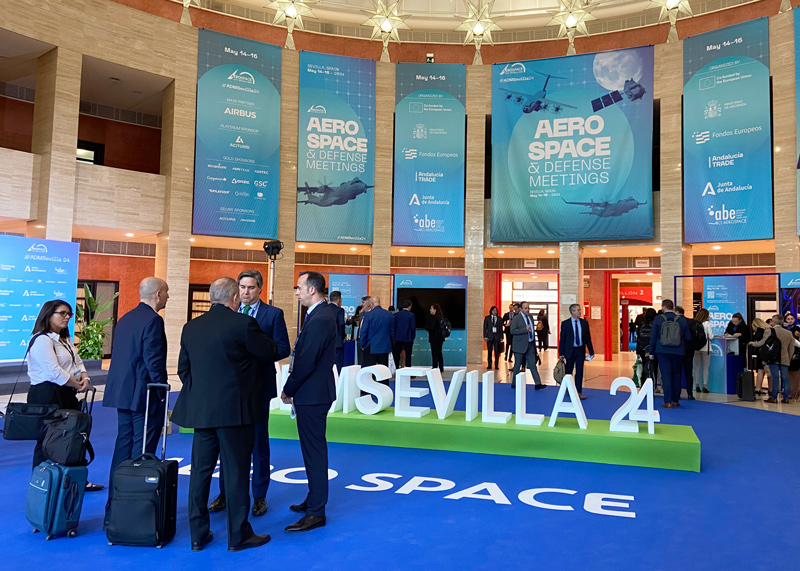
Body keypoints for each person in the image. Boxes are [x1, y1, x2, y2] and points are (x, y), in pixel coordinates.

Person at [171, 277, 276, 552]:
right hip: (235, 413)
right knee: (237, 472)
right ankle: (238, 535)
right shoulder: (244, 324)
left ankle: (198, 535)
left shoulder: (191, 327)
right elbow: (269, 352)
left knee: (200, 473)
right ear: (235, 298)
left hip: (202, 413)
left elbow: (184, 369)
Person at [209, 270, 291, 517]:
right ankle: (224, 493)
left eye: (251, 287)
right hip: (229, 388)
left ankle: (259, 496)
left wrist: (256, 351)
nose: (245, 292)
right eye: (242, 287)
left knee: (258, 443)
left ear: (260, 289)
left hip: (258, 387)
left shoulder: (273, 314)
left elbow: (283, 348)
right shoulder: (227, 312)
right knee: (227, 443)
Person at [280, 272, 337, 533]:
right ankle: (313, 499)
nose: (296, 293)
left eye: (299, 288)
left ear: (312, 289)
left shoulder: (321, 317)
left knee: (314, 452)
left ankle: (316, 512)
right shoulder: (318, 314)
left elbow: (306, 360)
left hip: (313, 395)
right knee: (311, 451)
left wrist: (288, 388)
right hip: (312, 394)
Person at [104, 277, 169, 502]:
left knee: (123, 447)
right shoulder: (153, 320)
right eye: (167, 292)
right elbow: (154, 361)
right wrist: (162, 392)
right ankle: (133, 503)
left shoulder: (125, 318)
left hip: (122, 393)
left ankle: (115, 504)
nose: (168, 297)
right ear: (158, 294)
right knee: (142, 450)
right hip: (143, 395)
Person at [26, 300, 101, 491]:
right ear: (48, 314)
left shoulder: (64, 339)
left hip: (67, 392)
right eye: (62, 313)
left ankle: (75, 480)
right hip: (46, 394)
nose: (67, 317)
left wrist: (85, 378)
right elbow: (53, 372)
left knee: (73, 436)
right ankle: (42, 480)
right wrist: (77, 384)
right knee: (46, 439)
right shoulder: (42, 339)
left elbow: (78, 362)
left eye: (69, 314)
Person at [649, 299, 692, 409]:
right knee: (677, 375)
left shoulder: (658, 319)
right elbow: (688, 337)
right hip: (678, 351)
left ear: (664, 307)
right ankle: (676, 400)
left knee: (666, 375)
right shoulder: (681, 320)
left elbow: (653, 337)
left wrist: (651, 352)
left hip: (662, 351)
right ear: (673, 307)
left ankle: (668, 401)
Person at [750, 314, 793, 404]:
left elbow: (762, 343)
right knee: (785, 378)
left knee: (775, 377)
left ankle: (773, 397)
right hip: (785, 358)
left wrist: (752, 343)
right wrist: (788, 357)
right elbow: (791, 348)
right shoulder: (788, 333)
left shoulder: (769, 331)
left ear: (773, 322)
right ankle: (786, 397)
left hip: (773, 357)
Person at [558, 304, 595, 399]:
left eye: (580, 310)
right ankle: (568, 389)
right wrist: (561, 353)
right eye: (577, 310)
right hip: (570, 351)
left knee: (579, 371)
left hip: (580, 350)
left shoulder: (584, 323)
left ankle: (578, 392)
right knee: (568, 372)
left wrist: (591, 351)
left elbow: (588, 338)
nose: (579, 312)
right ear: (572, 312)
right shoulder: (565, 324)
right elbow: (562, 339)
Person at [509, 302, 545, 390]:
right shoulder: (516, 319)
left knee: (533, 365)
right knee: (517, 365)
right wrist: (524, 330)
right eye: (525, 308)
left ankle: (538, 383)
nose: (527, 310)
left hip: (530, 345)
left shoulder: (530, 317)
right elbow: (512, 331)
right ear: (521, 309)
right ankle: (514, 383)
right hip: (519, 346)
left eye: (528, 308)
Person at [359, 295, 393, 367]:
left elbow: (363, 331)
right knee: (383, 371)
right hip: (384, 347)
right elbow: (392, 332)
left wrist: (363, 345)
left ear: (371, 303)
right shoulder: (389, 314)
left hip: (370, 347)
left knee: (370, 370)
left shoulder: (368, 315)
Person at [675, 306, 695, 400]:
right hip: (689, 350)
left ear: (677, 312)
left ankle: (677, 393)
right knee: (689, 373)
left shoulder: (675, 322)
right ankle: (690, 393)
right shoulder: (691, 322)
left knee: (677, 373)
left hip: (678, 349)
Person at [692, 308, 714, 394]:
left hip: (696, 348)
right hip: (706, 348)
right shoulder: (707, 324)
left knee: (697, 367)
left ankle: (697, 385)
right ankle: (705, 386)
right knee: (706, 367)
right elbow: (711, 336)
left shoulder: (695, 323)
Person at [391, 300, 416, 368]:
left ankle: (396, 369)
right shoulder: (411, 315)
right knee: (408, 356)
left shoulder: (396, 315)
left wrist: (394, 338)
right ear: (409, 306)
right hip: (408, 338)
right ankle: (408, 370)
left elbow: (393, 327)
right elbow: (412, 327)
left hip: (398, 338)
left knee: (396, 356)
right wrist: (413, 337)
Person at [327, 290, 346, 373]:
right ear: (338, 300)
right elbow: (341, 324)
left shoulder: (324, 309)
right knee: (337, 364)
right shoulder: (339, 310)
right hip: (337, 342)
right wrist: (343, 337)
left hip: (326, 342)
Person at [425, 304, 445, 374]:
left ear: (435, 310)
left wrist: (426, 327)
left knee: (434, 354)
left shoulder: (433, 318)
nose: (430, 310)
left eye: (431, 308)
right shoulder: (441, 317)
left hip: (434, 339)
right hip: (440, 338)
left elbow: (432, 327)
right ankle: (441, 370)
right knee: (439, 354)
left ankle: (434, 370)